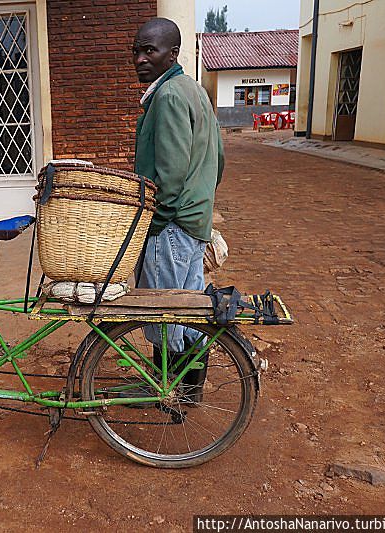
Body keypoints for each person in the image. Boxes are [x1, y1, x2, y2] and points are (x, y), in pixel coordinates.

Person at [132, 18, 224, 400]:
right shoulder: (195, 91)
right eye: (135, 51)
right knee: (188, 314)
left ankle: (168, 394)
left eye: (149, 51)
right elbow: (218, 161)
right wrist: (199, 202)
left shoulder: (169, 96)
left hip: (170, 226)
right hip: (194, 223)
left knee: (165, 315)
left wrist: (157, 223)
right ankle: (190, 391)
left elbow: (168, 177)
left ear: (172, 54)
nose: (139, 59)